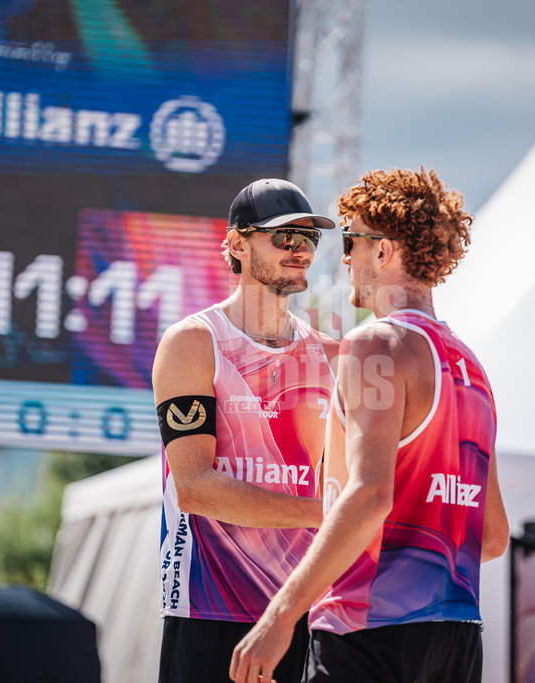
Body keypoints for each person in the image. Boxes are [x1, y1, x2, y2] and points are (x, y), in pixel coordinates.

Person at [230, 167, 509, 683]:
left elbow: (368, 496)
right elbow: (491, 536)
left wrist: (280, 614)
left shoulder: (374, 345)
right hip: (457, 632)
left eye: (352, 240)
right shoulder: (472, 368)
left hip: (369, 629)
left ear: (383, 251)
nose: (345, 257)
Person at [152, 178, 339, 683]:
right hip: (208, 607)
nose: (300, 250)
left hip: (298, 610)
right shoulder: (193, 341)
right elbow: (194, 488)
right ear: (236, 243)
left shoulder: (331, 352)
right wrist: (327, 515)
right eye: (284, 237)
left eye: (309, 239)